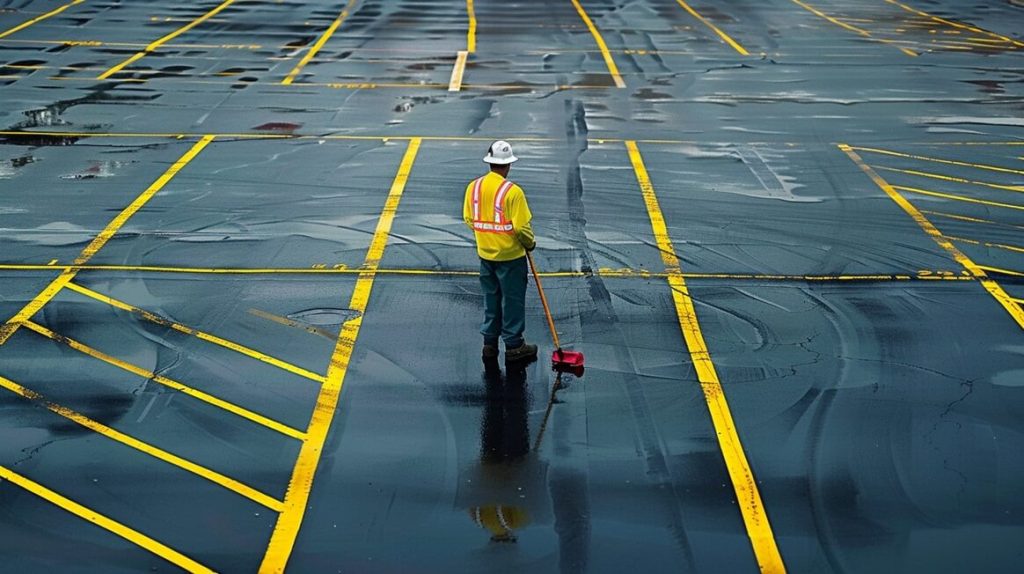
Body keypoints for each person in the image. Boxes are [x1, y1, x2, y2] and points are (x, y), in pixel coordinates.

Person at [464, 141, 538, 362]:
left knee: (491, 299)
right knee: (512, 301)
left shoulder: (473, 187)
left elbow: (469, 219)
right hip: (510, 258)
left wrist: (487, 237)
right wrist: (530, 244)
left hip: (485, 255)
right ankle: (514, 346)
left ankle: (489, 344)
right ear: (508, 165)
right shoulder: (513, 192)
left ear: (490, 163)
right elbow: (522, 228)